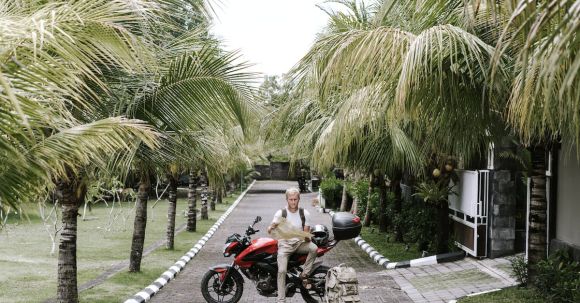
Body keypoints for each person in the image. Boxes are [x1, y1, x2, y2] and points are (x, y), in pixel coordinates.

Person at [267, 187, 318, 303]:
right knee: (282, 271)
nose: (293, 202)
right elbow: (270, 228)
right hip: (285, 246)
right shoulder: (281, 213)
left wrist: (305, 236)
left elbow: (306, 234)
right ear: (287, 200)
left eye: (295, 199)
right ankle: (281, 299)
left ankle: (304, 275)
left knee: (314, 248)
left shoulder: (304, 213)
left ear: (299, 199)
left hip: (299, 244)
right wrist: (271, 227)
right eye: (291, 199)